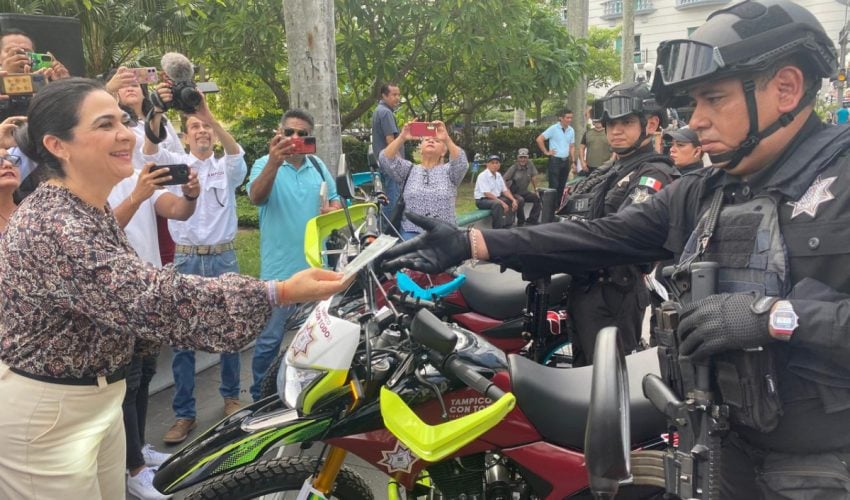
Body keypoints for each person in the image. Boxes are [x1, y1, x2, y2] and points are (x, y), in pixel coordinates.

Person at [380, 0, 850, 496]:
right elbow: (599, 236)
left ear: (786, 89)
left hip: (819, 468)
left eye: (714, 99)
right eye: (694, 104)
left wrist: (776, 316)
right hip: (718, 452)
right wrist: (472, 241)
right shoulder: (709, 190)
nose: (698, 121)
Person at [0, 77, 347, 499]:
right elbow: (153, 300)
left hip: (97, 402)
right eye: (105, 124)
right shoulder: (56, 225)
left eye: (123, 121)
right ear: (58, 145)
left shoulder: (85, 208)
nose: (125, 134)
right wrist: (277, 292)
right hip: (51, 416)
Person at [143, 86, 249, 443]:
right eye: (195, 128)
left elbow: (237, 155)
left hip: (223, 257)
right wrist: (156, 110)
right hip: (187, 258)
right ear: (185, 136)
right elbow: (150, 152)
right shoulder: (177, 167)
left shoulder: (225, 168)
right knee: (182, 337)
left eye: (206, 129)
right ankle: (184, 414)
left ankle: (231, 397)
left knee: (230, 330)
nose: (202, 132)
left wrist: (211, 117)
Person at [246, 108, 342, 402]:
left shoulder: (318, 166)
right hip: (279, 275)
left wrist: (333, 211)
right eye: (289, 132)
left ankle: (307, 397)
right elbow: (256, 197)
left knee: (316, 341)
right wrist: (274, 163)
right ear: (279, 133)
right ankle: (260, 400)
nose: (296, 138)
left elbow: (337, 203)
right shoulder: (264, 163)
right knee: (268, 343)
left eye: (303, 133)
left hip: (315, 271)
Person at [378, 120, 467, 239]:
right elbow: (384, 159)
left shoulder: (450, 172)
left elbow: (461, 163)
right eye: (427, 139)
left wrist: (446, 138)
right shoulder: (408, 170)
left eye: (437, 141)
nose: (431, 140)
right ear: (420, 149)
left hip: (444, 234)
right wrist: (402, 137)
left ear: (443, 151)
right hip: (411, 233)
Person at [372, 83, 402, 218]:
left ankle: (385, 228)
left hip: (383, 162)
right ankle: (390, 231)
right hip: (391, 164)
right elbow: (391, 140)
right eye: (394, 95)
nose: (397, 98)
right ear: (384, 95)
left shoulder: (379, 110)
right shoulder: (386, 113)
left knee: (386, 198)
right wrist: (400, 162)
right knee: (392, 199)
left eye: (398, 95)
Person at [535, 108, 575, 197]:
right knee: (554, 185)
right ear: (561, 118)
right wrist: (546, 152)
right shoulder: (553, 128)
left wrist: (573, 161)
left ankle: (559, 207)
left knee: (562, 185)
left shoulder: (571, 130)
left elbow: (571, 146)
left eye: (571, 118)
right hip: (555, 160)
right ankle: (551, 207)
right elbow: (539, 139)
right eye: (567, 118)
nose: (570, 120)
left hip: (566, 161)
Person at [475, 155, 519, 229]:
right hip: (482, 200)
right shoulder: (482, 176)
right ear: (487, 164)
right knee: (498, 204)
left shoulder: (498, 175)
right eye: (492, 163)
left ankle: (508, 224)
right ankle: (497, 229)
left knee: (511, 201)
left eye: (497, 163)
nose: (495, 165)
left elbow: (505, 190)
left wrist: (513, 200)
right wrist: (502, 203)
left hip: (494, 198)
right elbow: (487, 193)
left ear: (499, 165)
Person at [503, 148, 541, 225]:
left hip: (524, 191)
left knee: (537, 198)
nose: (523, 159)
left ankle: (532, 220)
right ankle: (521, 221)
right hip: (514, 193)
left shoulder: (530, 164)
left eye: (525, 157)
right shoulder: (513, 167)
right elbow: (503, 180)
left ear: (527, 158)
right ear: (518, 158)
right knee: (520, 200)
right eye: (521, 157)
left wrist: (536, 190)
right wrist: (508, 192)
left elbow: (533, 177)